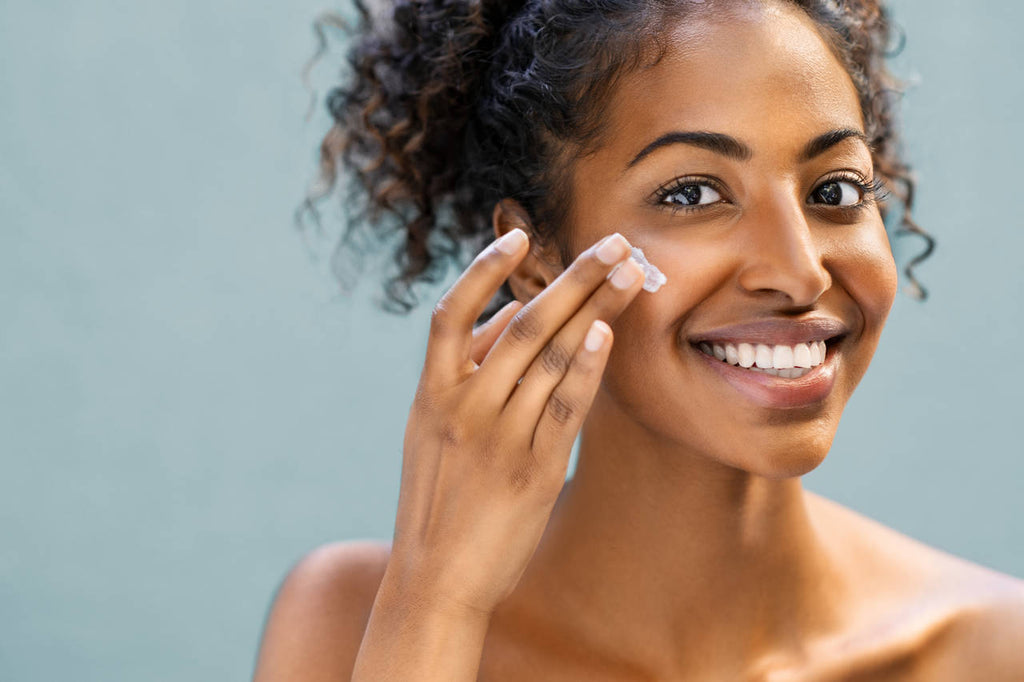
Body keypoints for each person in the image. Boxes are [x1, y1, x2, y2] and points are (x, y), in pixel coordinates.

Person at [254, 0, 1024, 679]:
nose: (798, 271)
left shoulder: (994, 652)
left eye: (836, 191)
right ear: (535, 256)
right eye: (692, 193)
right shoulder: (353, 625)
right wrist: (438, 608)